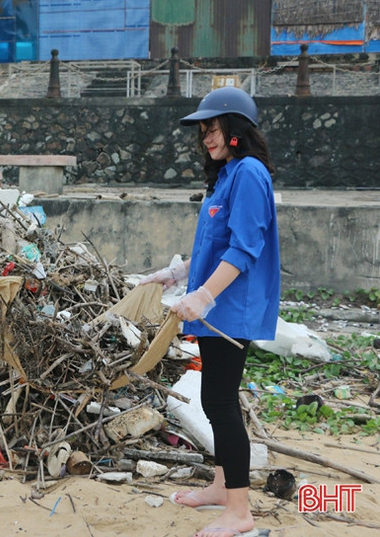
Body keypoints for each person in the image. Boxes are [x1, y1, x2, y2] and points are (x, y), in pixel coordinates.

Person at [141, 86, 279, 537]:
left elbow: (244, 249)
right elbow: (213, 245)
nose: (206, 137)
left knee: (219, 402)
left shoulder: (251, 174)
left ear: (237, 128)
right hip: (214, 307)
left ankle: (239, 513)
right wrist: (177, 274)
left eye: (213, 128)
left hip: (230, 310)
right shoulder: (227, 175)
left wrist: (203, 297)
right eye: (203, 130)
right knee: (215, 400)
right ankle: (222, 487)